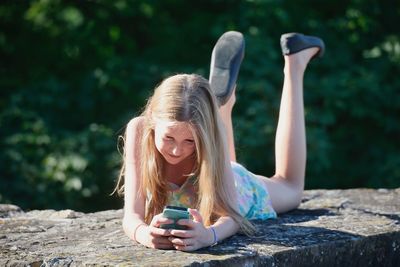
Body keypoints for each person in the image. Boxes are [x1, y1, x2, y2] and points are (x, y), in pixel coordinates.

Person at [114, 31, 325, 251]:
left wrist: (210, 235)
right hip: (215, 174)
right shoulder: (138, 129)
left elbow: (232, 216)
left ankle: (295, 63)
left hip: (235, 186)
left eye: (190, 141)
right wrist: (144, 234)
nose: (177, 150)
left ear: (203, 133)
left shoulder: (208, 136)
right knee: (216, 159)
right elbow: (132, 216)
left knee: (290, 187)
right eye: (168, 138)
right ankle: (221, 105)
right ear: (152, 122)